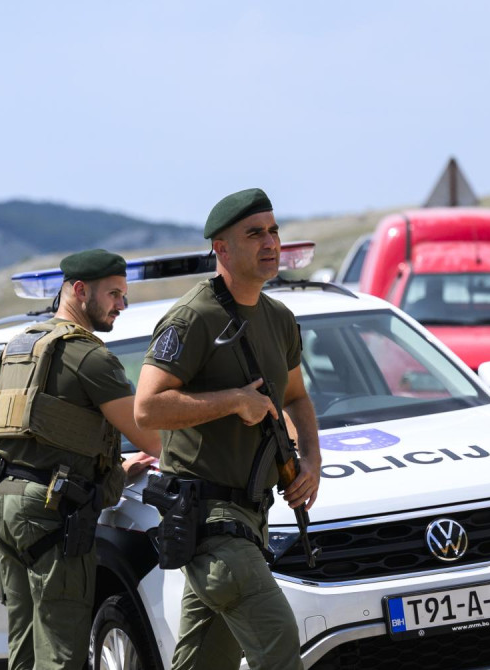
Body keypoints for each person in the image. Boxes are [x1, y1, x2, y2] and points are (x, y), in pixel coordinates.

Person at [134, 188, 321, 670]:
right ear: (222, 249)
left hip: (251, 517)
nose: (270, 242)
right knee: (279, 644)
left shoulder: (279, 319)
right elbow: (147, 408)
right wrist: (234, 400)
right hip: (209, 520)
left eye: (274, 231)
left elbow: (297, 397)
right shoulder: (193, 317)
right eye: (254, 233)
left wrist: (311, 464)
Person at [0, 248, 161, 670]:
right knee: (62, 655)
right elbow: (153, 437)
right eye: (114, 294)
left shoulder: (21, 345)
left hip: (7, 503)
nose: (123, 304)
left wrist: (116, 469)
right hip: (51, 512)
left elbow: (40, 439)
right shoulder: (90, 357)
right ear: (80, 291)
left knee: (24, 650)